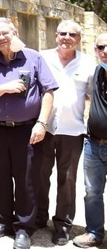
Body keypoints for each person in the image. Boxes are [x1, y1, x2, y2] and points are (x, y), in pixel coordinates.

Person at [0, 17, 58, 249]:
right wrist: (4, 88)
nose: (1, 37)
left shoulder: (33, 58)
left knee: (26, 181)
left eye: (5, 32)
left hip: (27, 129)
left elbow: (48, 92)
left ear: (15, 32)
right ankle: (3, 221)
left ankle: (24, 228)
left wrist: (42, 123)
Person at [37, 20, 95, 245]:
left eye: (72, 34)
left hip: (73, 131)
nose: (67, 38)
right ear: (55, 36)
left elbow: (93, 95)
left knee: (68, 179)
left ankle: (63, 225)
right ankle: (39, 217)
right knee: (39, 175)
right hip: (44, 128)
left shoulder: (87, 63)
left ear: (79, 39)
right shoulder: (42, 58)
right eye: (63, 33)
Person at [73, 33, 107, 248]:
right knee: (92, 192)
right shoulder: (97, 72)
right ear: (95, 50)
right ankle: (94, 232)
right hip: (94, 143)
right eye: (101, 47)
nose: (105, 51)